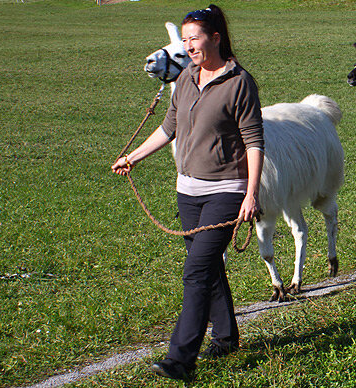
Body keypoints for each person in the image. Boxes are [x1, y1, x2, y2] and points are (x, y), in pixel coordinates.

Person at [111, 4, 263, 380]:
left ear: (215, 37)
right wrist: (134, 156)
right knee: (207, 268)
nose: (190, 46)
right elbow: (169, 127)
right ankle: (226, 337)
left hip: (227, 190)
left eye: (195, 38)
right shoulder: (185, 79)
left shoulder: (239, 82)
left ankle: (181, 359)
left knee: (195, 270)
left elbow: (254, 141)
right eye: (186, 40)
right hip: (188, 191)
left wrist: (252, 194)